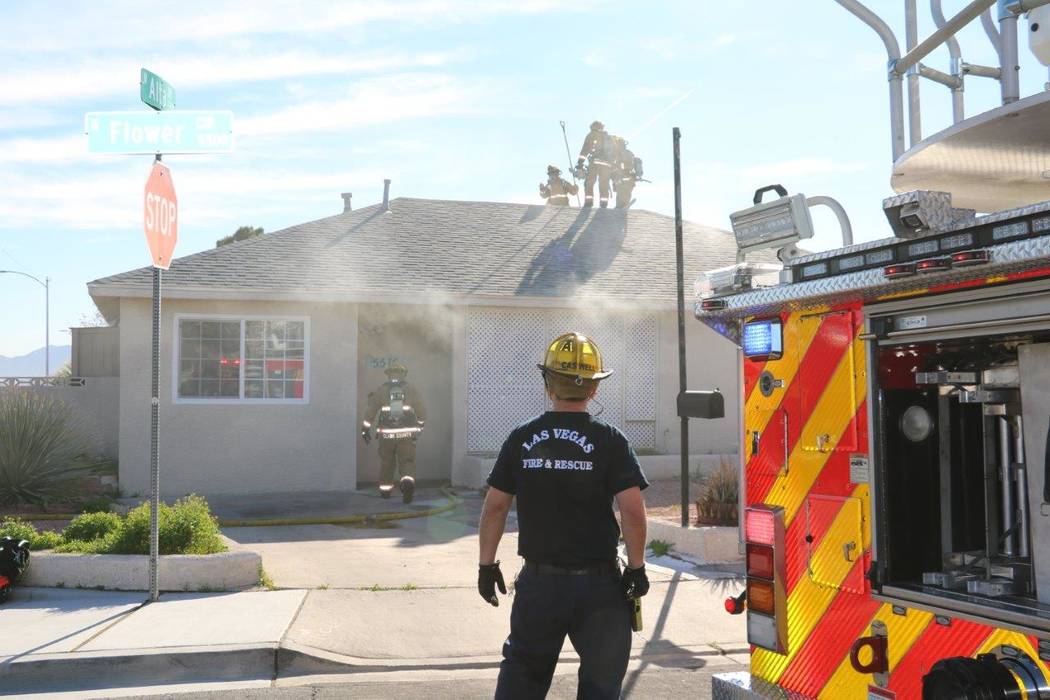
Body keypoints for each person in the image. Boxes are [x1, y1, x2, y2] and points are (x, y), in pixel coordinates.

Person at [477, 332, 650, 699]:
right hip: (601, 589)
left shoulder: (521, 438)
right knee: (601, 687)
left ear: (548, 383)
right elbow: (632, 512)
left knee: (521, 681)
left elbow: (495, 507)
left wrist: (486, 565)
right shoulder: (611, 441)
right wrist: (637, 569)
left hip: (540, 587)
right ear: (594, 388)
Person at [360, 362, 425, 503]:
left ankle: (385, 491)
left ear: (388, 375)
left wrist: (365, 428)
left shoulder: (381, 390)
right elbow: (421, 409)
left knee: (387, 462)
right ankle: (407, 483)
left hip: (386, 434)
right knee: (407, 462)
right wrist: (420, 425)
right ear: (404, 374)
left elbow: (371, 410)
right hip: (407, 434)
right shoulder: (411, 389)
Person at [575, 121, 616, 208]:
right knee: (604, 184)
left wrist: (580, 162)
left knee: (589, 182)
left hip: (595, 162)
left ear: (593, 127)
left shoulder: (592, 134)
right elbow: (615, 152)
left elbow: (585, 148)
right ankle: (604, 203)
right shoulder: (608, 137)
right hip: (607, 164)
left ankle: (589, 202)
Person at [611, 136, 643, 209]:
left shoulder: (618, 154)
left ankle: (620, 206)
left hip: (623, 177)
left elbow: (615, 166)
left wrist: (613, 175)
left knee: (622, 192)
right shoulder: (629, 153)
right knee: (625, 193)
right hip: (629, 178)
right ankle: (622, 206)